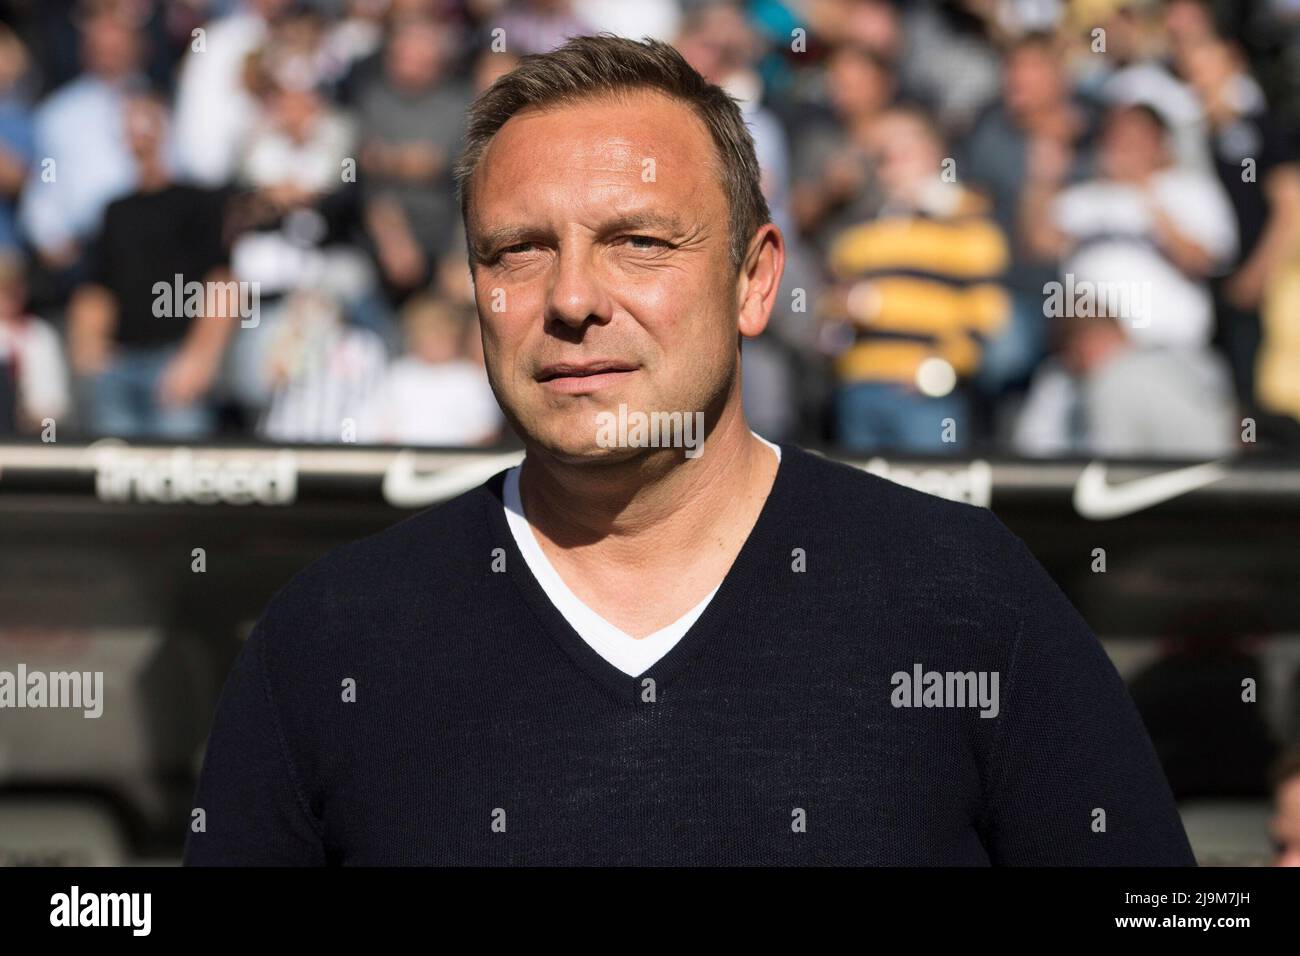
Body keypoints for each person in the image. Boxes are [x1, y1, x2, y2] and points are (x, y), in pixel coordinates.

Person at [185, 35, 1194, 866]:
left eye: (639, 242)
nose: (572, 299)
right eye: (518, 249)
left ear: (755, 280)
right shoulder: (328, 639)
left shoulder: (967, 597)